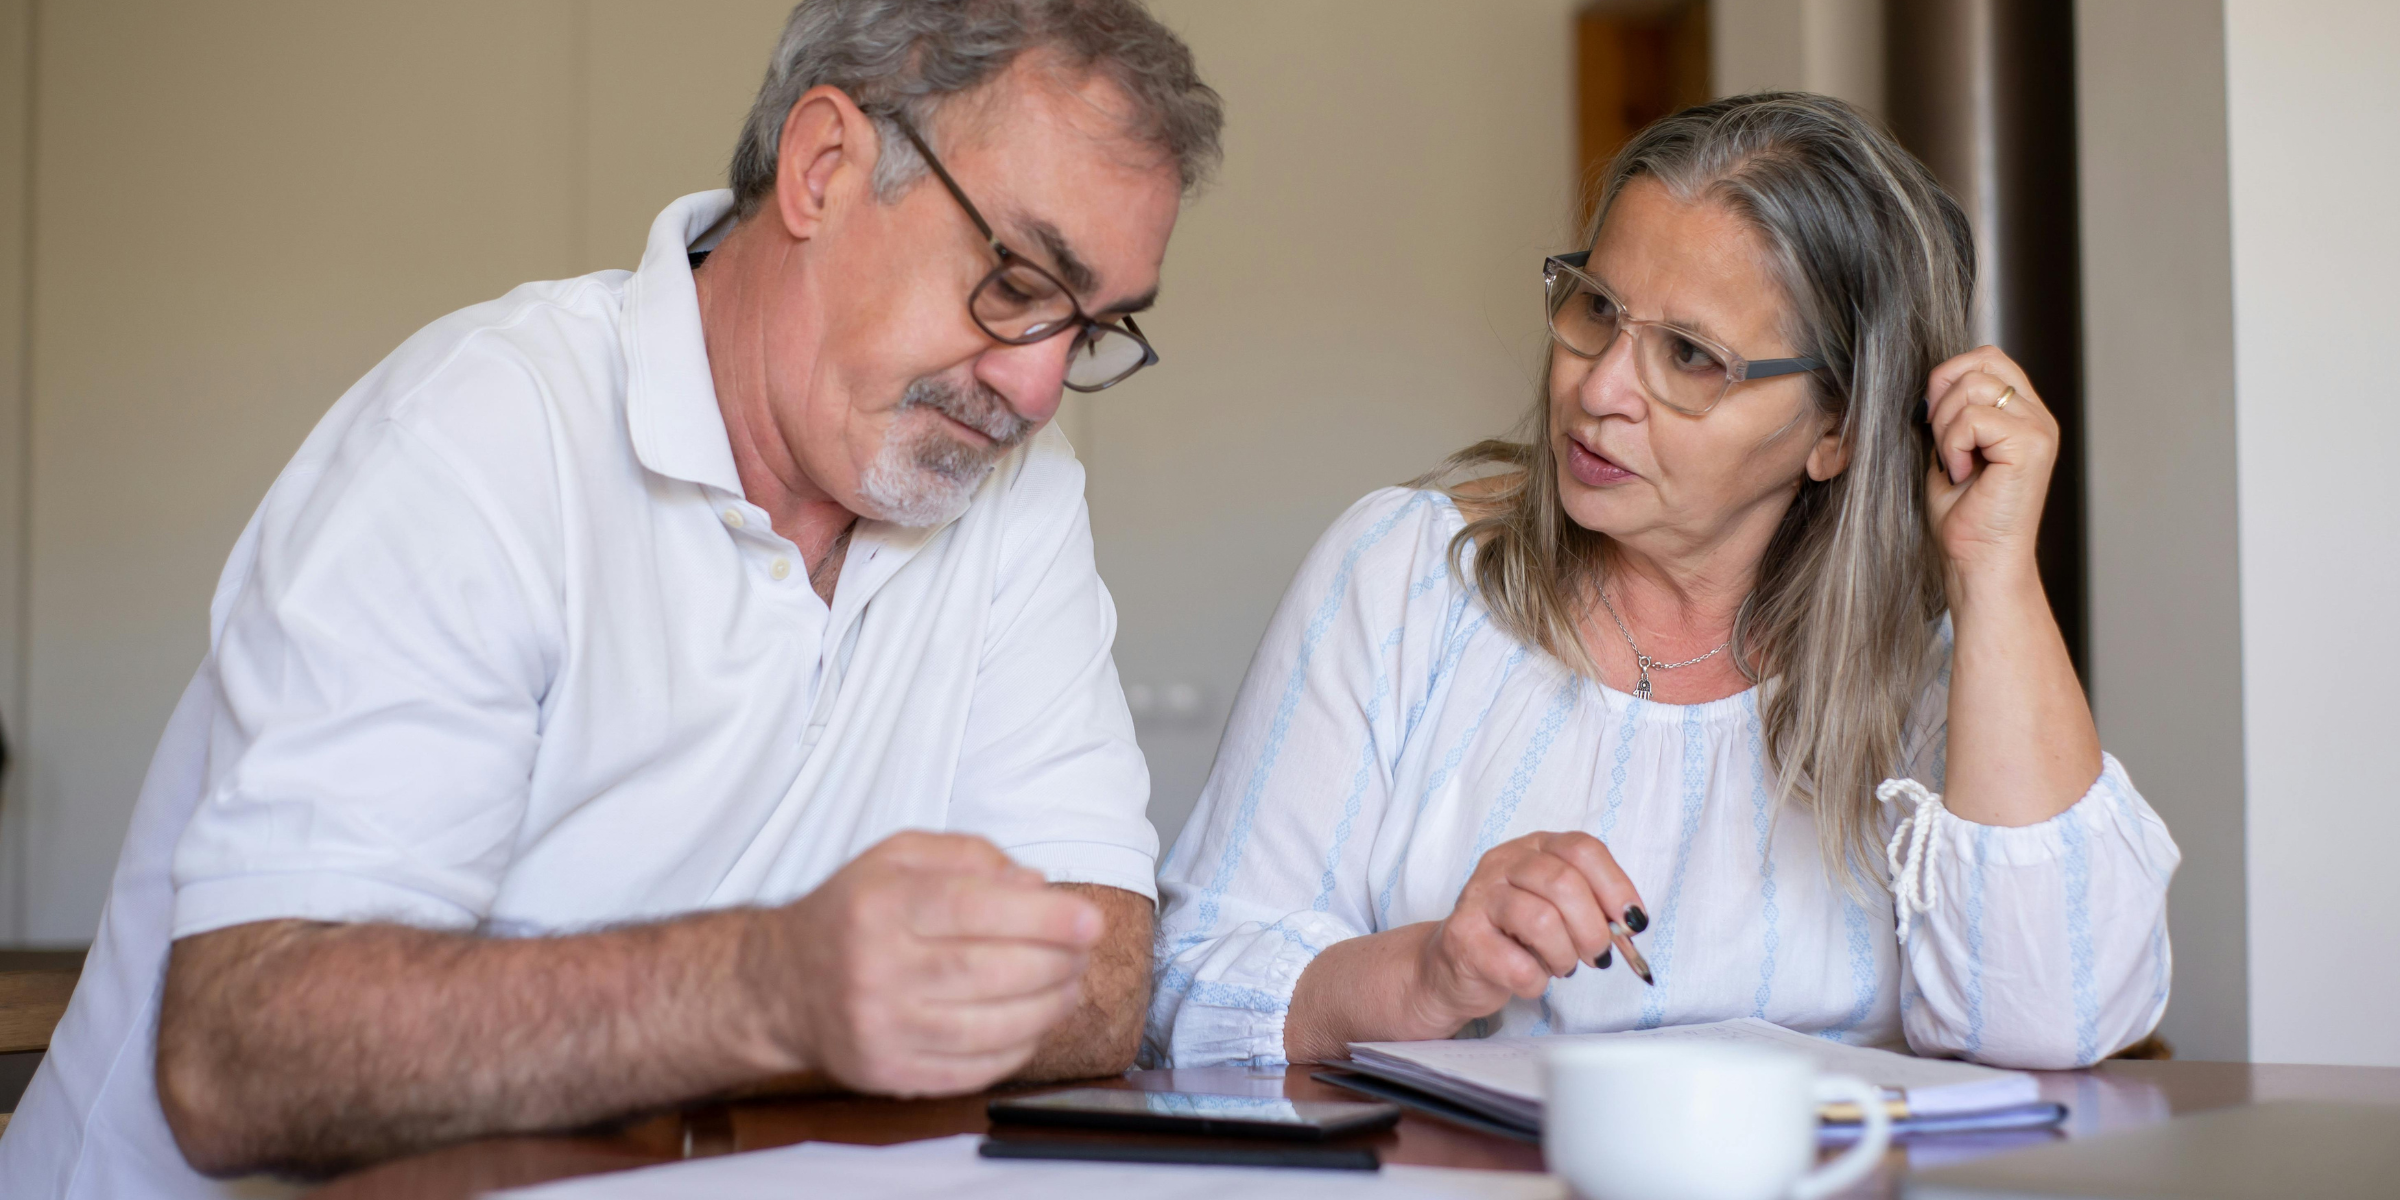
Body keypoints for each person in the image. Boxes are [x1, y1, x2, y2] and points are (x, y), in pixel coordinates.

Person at [0, 1, 1222, 1194]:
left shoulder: (1014, 490)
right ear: (824, 167)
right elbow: (243, 1058)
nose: (1040, 387)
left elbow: (1100, 975)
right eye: (1015, 281)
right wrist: (766, 986)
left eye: (1094, 330)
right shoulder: (484, 434)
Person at [1147, 94, 2178, 1071]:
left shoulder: (1930, 678)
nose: (1596, 389)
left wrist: (1995, 575)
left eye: (1691, 356)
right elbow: (1190, 988)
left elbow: (2062, 1018)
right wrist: (1432, 972)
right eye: (1597, 306)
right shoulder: (1407, 577)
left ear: (1838, 431)